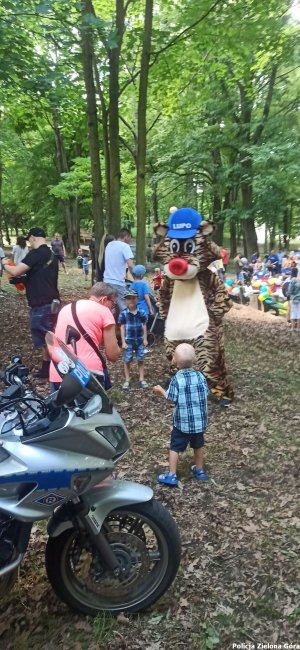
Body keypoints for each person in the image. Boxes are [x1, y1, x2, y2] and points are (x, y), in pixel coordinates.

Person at [2, 227, 60, 378]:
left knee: (45, 339)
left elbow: (15, 271)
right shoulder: (51, 255)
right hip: (53, 302)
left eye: (29, 240)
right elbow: (41, 276)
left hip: (41, 305)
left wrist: (4, 264)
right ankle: (47, 368)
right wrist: (23, 280)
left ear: (33, 238)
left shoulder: (35, 254)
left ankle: (55, 368)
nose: (29, 243)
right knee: (49, 337)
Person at [154, 343, 208, 487]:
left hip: (182, 423)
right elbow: (206, 393)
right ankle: (200, 470)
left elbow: (171, 400)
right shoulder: (200, 376)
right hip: (199, 423)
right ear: (195, 359)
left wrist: (160, 390)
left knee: (175, 447)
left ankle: (171, 475)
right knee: (198, 445)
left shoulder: (177, 379)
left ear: (174, 361)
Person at [49, 282, 120, 390]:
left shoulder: (66, 308)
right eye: (113, 304)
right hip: (87, 374)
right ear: (104, 299)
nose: (112, 308)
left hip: (59, 370)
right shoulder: (104, 311)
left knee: (63, 407)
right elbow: (113, 355)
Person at [118, 288, 148, 390]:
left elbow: (144, 325)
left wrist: (145, 339)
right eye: (129, 298)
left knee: (140, 359)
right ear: (125, 300)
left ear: (137, 299)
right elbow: (122, 327)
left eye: (133, 298)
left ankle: (142, 379)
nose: (131, 300)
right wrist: (123, 341)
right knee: (127, 360)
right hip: (128, 341)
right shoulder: (123, 313)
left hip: (139, 340)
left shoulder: (142, 312)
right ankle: (127, 379)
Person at [104, 228, 134, 310]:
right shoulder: (125, 246)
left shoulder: (109, 245)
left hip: (106, 281)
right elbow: (130, 265)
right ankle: (126, 322)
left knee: (110, 306)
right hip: (117, 282)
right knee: (126, 307)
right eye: (129, 238)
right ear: (126, 237)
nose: (129, 240)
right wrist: (136, 277)